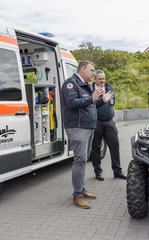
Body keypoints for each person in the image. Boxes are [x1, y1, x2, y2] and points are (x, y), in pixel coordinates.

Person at [61, 61, 113, 209]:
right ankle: (77, 195)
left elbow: (89, 104)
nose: (93, 73)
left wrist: (100, 100)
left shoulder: (85, 85)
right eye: (91, 70)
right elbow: (72, 103)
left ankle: (81, 189)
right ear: (83, 70)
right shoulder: (70, 84)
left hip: (88, 127)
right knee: (79, 160)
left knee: (83, 160)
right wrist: (92, 98)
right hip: (77, 128)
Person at [90, 70, 127, 181]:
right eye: (100, 79)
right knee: (96, 148)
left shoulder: (110, 88)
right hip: (96, 122)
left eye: (104, 78)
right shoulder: (90, 90)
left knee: (114, 146)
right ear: (95, 79)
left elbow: (111, 103)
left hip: (109, 122)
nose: (102, 81)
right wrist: (101, 101)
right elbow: (91, 104)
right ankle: (98, 172)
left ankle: (117, 171)